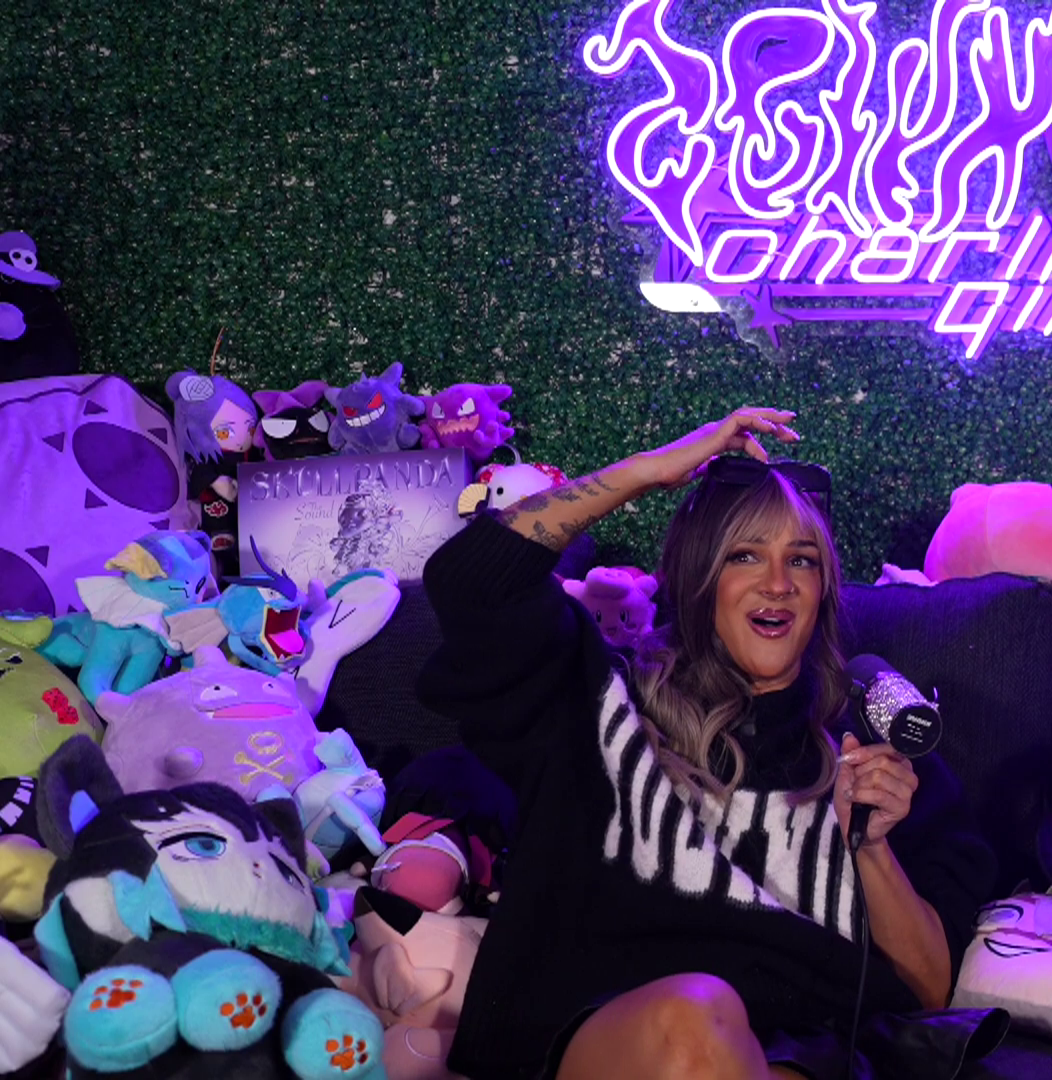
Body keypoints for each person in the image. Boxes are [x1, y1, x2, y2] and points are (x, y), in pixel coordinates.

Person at [418, 407, 1001, 1080]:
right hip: (621, 1040)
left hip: (801, 1055)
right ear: (699, 578)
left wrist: (869, 847)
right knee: (695, 1020)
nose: (777, 583)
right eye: (743, 555)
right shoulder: (597, 705)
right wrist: (646, 473)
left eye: (802, 560)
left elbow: (928, 992)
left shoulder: (879, 763)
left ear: (823, 592)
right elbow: (470, 582)